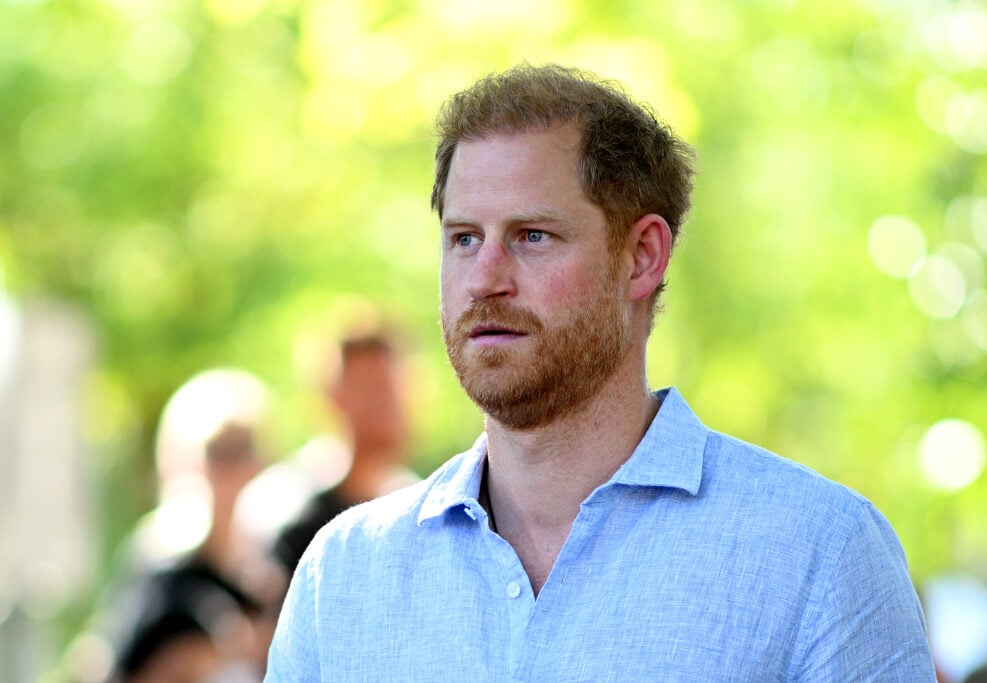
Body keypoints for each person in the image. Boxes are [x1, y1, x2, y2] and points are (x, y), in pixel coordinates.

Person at [266, 64, 936, 680]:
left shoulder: (817, 553)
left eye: (532, 236)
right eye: (464, 237)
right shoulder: (345, 575)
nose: (484, 279)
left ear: (642, 256)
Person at [92, 369, 275, 682]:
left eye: (245, 450)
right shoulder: (163, 564)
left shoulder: (263, 566)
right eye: (218, 453)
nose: (232, 470)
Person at [269, 325, 418, 578]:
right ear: (335, 398)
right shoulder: (301, 527)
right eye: (373, 388)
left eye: (396, 387)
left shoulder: (420, 510)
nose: (390, 403)